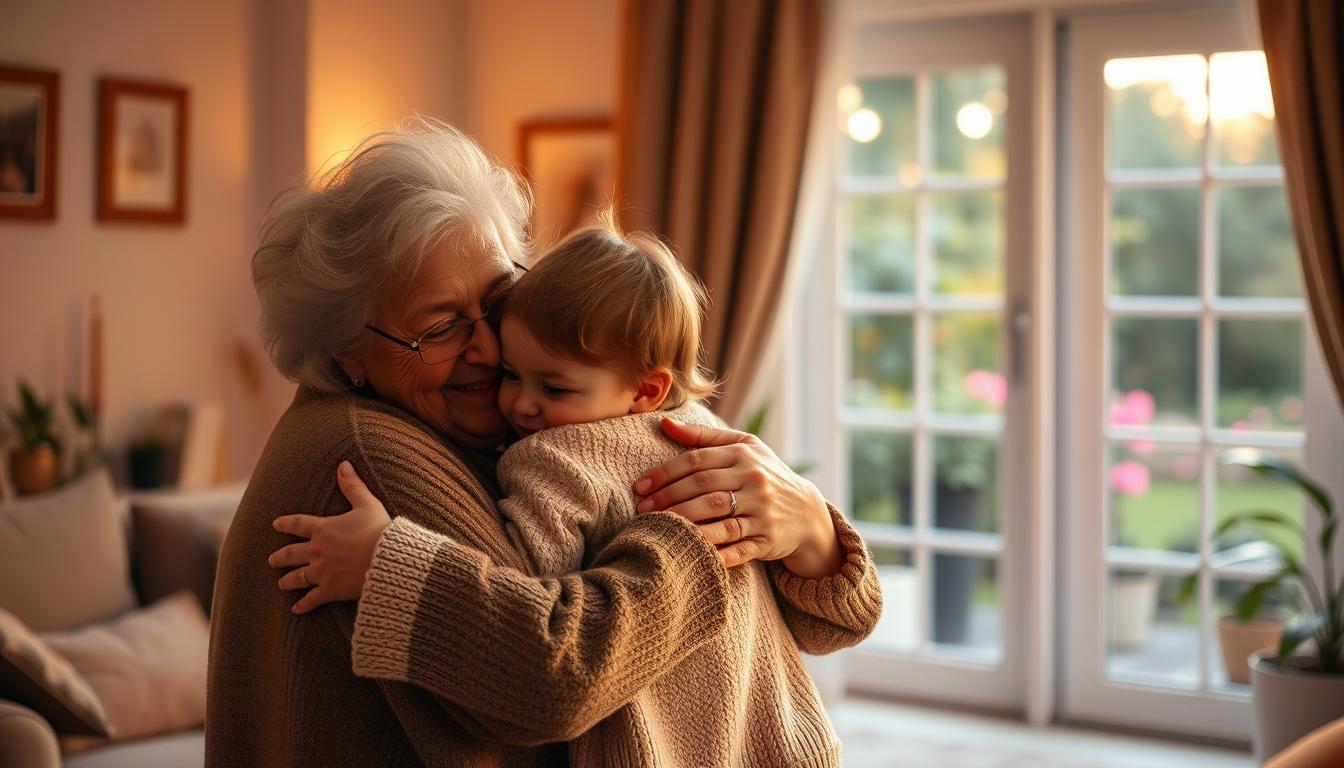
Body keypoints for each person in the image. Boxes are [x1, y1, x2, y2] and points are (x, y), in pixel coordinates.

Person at [208, 118, 882, 768]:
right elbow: (548, 678)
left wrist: (810, 528)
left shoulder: (570, 428)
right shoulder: (369, 455)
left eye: (501, 301)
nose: (487, 348)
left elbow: (825, 626)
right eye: (440, 327)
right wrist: (696, 540)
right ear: (348, 351)